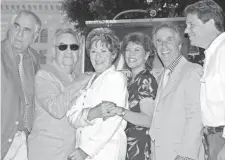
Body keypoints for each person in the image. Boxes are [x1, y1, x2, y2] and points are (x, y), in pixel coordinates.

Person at [27, 28, 91, 160]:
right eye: (63, 47)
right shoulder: (44, 75)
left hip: (70, 153)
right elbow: (56, 109)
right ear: (53, 51)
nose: (69, 51)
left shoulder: (77, 78)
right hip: (47, 154)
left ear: (79, 52)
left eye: (73, 47)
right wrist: (77, 83)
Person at [66, 28, 129, 160]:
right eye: (93, 52)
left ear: (114, 54)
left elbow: (113, 120)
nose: (97, 56)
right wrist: (91, 113)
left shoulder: (115, 78)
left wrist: (86, 150)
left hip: (106, 153)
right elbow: (71, 117)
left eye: (103, 51)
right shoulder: (89, 81)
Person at [149, 23, 204, 160]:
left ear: (179, 45)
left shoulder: (192, 71)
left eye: (169, 40)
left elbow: (196, 117)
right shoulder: (163, 76)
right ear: (155, 48)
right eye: (159, 41)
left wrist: (185, 155)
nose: (163, 46)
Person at [184, 1, 225, 160]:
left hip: (223, 139)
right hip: (215, 138)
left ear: (210, 23)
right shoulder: (213, 54)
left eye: (191, 25)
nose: (186, 30)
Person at [106, 32, 158, 160]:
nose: (131, 54)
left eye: (137, 49)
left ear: (146, 55)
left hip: (139, 147)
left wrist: (120, 111)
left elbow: (148, 120)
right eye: (128, 50)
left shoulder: (146, 80)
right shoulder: (129, 80)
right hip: (126, 145)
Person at [1, 10, 41, 159]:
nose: (19, 34)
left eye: (26, 30)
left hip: (23, 141)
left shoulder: (34, 59)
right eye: (16, 27)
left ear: (35, 37)